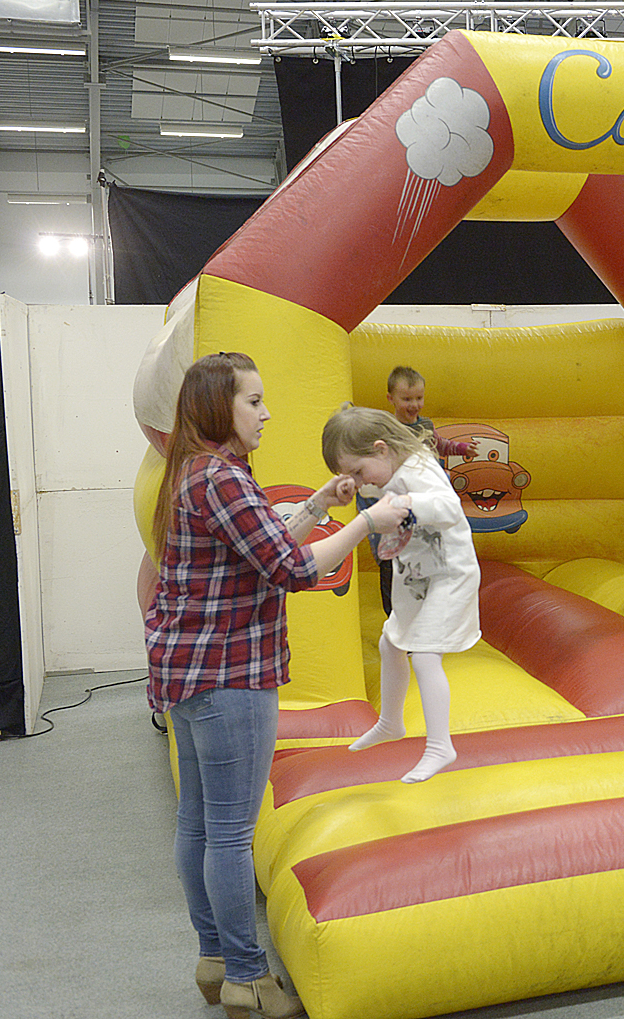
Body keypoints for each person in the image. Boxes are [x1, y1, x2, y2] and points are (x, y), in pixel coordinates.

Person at [146, 353, 407, 1019]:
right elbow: (291, 569)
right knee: (231, 833)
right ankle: (246, 975)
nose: (266, 414)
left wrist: (318, 505)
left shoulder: (198, 471)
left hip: (189, 669)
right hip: (228, 673)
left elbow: (259, 550)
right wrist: (366, 523)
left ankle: (215, 957)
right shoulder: (223, 478)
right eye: (254, 402)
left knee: (200, 823)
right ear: (219, 408)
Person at [324, 405, 481, 784]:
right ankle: (390, 723)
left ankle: (440, 746)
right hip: (416, 575)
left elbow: (449, 507)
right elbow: (376, 484)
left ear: (381, 449)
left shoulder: (418, 468)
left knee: (424, 655)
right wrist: (348, 487)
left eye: (357, 472)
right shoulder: (389, 468)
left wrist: (408, 503)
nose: (360, 481)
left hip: (448, 575)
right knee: (391, 642)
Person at [367, 366, 475, 615]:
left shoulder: (425, 425)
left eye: (419, 398)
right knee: (393, 556)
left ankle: (427, 608)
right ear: (391, 398)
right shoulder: (387, 429)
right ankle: (394, 613)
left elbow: (440, 444)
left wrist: (461, 449)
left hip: (426, 503)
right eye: (407, 399)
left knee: (426, 553)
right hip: (400, 501)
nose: (414, 405)